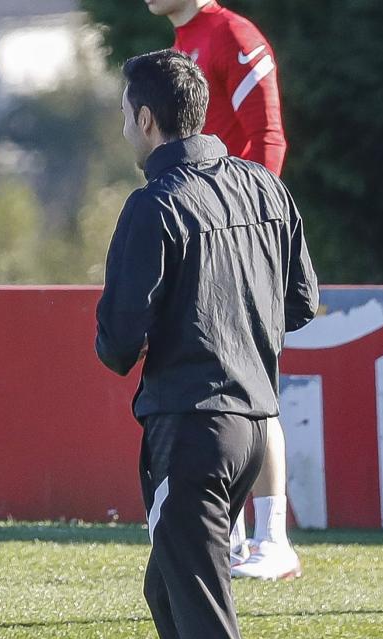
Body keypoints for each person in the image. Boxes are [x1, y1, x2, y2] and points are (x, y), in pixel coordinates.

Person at [96, 50, 317, 639]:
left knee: (202, 607)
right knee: (170, 591)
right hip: (259, 429)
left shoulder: (153, 205)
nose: (125, 125)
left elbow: (116, 344)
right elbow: (301, 304)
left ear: (147, 120)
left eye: (126, 113)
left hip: (192, 430)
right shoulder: (265, 186)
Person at [145, 0, 300, 581]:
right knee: (210, 377)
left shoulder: (233, 33)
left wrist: (252, 220)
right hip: (200, 231)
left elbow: (268, 137)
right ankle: (231, 535)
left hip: (237, 233)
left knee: (250, 380)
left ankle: (273, 539)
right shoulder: (183, 41)